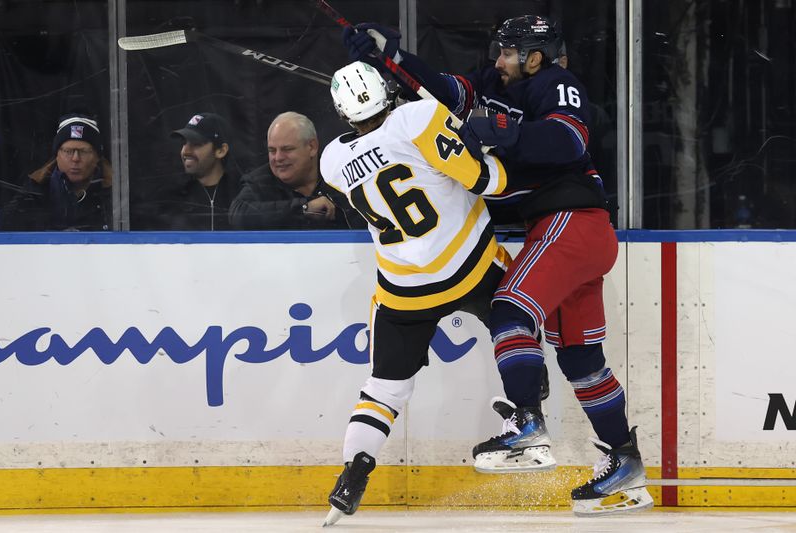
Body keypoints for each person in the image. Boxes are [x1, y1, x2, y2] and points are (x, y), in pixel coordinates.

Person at [343, 15, 653, 516]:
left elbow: (568, 140)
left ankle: (528, 427)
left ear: (535, 57)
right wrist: (390, 59)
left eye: (508, 52)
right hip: (565, 232)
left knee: (508, 306)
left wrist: (503, 130)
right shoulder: (492, 83)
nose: (497, 59)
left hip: (573, 222)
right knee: (580, 360)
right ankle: (625, 464)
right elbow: (442, 90)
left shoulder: (557, 83)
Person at [319, 61, 510, 526]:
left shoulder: (331, 162)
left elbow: (380, 150)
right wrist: (479, 145)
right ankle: (528, 403)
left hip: (404, 289)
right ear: (387, 91)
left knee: (384, 388)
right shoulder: (419, 116)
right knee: (518, 315)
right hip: (469, 263)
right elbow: (490, 183)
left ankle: (355, 471)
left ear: (343, 114)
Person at [229, 112, 364, 230]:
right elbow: (238, 214)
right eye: (272, 150)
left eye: (287, 149)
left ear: (312, 147)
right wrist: (304, 208)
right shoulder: (260, 180)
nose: (278, 158)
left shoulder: (341, 172)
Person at [1, 113, 112, 231]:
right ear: (57, 156)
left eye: (83, 151)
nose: (75, 158)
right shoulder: (35, 191)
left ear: (97, 157)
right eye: (68, 151)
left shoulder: (116, 193)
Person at [155, 112, 240, 231]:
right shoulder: (171, 199)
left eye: (196, 143)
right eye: (184, 142)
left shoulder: (241, 196)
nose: (186, 151)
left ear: (221, 150)